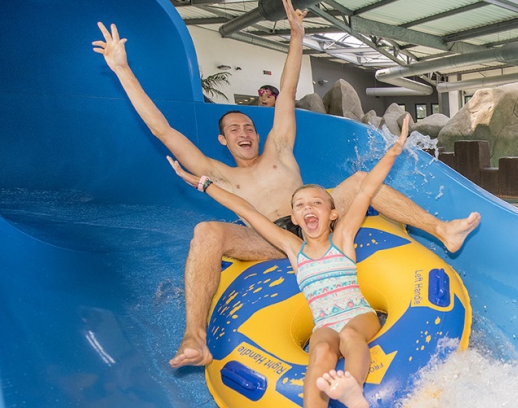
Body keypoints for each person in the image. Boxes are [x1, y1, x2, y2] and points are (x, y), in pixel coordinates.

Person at [92, 0, 481, 369]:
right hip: (269, 239)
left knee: (363, 181)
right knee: (206, 231)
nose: (244, 132)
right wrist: (123, 69)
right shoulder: (220, 172)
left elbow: (288, 91)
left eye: (248, 127)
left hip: (316, 220)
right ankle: (194, 336)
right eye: (234, 129)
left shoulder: (279, 148)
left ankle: (442, 230)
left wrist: (297, 35)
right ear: (222, 141)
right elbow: (163, 130)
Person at [164, 120, 414, 408]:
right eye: (300, 205)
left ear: (333, 214)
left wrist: (393, 151)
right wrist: (203, 183)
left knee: (350, 335)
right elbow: (245, 210)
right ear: (294, 219)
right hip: (323, 322)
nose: (308, 208)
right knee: (320, 349)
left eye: (316, 203)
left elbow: (366, 189)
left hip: (357, 313)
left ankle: (353, 391)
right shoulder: (294, 249)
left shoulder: (343, 238)